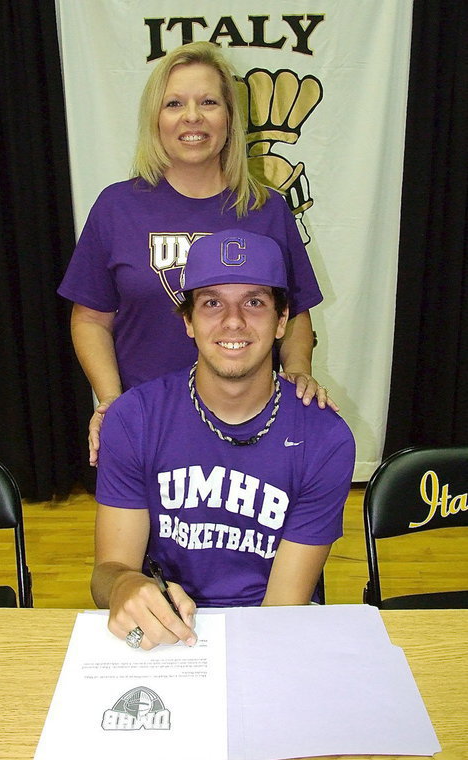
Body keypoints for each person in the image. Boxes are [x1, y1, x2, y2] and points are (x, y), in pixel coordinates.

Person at [57, 41, 338, 466]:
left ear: (229, 117)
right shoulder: (116, 207)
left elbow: (294, 312)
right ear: (156, 118)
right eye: (174, 103)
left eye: (208, 101)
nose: (192, 117)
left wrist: (298, 370)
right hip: (150, 426)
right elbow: (91, 318)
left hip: (252, 424)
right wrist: (113, 402)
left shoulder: (268, 209)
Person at [92, 229, 355, 650]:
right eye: (212, 302)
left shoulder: (325, 437)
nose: (233, 321)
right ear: (188, 321)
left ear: (282, 320)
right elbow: (107, 569)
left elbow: (283, 609)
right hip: (167, 624)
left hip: (271, 628)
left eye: (254, 302)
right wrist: (125, 584)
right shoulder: (134, 418)